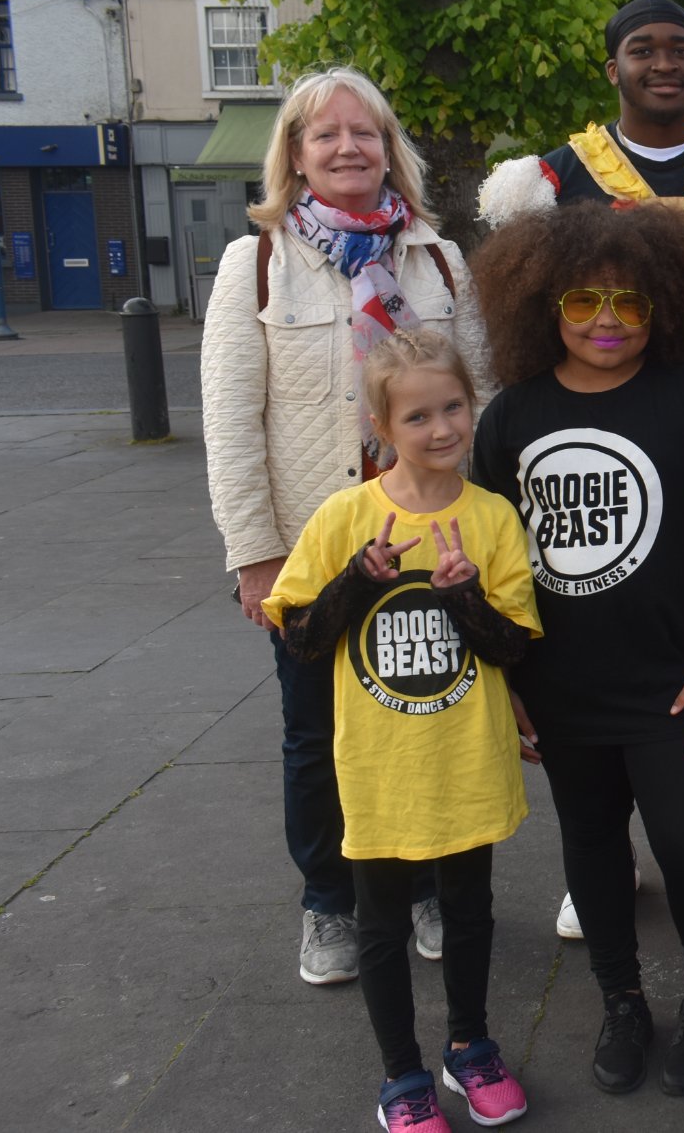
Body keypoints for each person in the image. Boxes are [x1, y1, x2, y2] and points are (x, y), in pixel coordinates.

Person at [469, 201, 684, 1099]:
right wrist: (510, 676)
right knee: (593, 848)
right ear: (541, 304)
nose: (607, 319)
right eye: (584, 299)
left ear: (665, 306)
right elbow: (494, 555)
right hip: (563, 689)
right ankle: (623, 1000)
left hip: (679, 684)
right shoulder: (513, 415)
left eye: (630, 303)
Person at [202, 66, 491, 988]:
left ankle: (436, 887)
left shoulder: (439, 261)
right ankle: (330, 903)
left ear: (388, 146)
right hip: (318, 551)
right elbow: (229, 422)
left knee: (434, 714)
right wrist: (256, 557)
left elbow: (477, 400)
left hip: (433, 540)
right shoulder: (255, 263)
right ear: (293, 153)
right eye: (323, 135)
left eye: (362, 133)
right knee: (316, 734)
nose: (345, 148)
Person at [263, 329, 538, 1132]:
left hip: (467, 761)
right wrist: (356, 580)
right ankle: (402, 1076)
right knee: (381, 923)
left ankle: (470, 1045)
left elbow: (514, 646)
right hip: (382, 769)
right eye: (418, 415)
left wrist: (463, 597)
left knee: (469, 909)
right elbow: (303, 639)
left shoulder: (491, 518)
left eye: (454, 407)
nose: (443, 428)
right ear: (381, 425)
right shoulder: (346, 517)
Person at [476, 0, 684, 346]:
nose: (664, 64)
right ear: (613, 70)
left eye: (681, 51)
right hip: (595, 395)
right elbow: (525, 326)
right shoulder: (548, 182)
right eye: (642, 52)